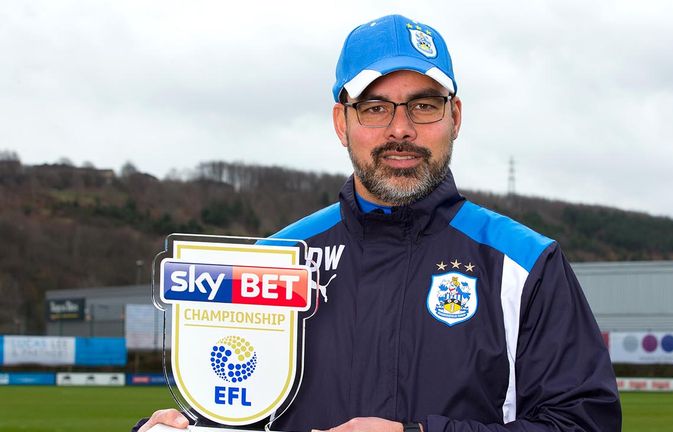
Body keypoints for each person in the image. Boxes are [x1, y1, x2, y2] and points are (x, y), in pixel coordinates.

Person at [135, 14, 621, 432]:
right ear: (341, 122)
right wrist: (180, 426)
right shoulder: (271, 263)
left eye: (424, 105)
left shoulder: (526, 263)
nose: (400, 129)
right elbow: (230, 410)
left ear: (454, 116)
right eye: (374, 108)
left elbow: (584, 423)